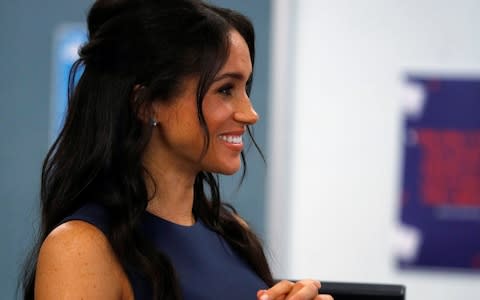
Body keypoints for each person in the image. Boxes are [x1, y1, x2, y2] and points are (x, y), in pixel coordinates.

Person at [22, 0, 333, 299]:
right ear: (146, 104)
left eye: (245, 88)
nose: (250, 113)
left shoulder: (232, 234)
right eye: (225, 90)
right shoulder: (80, 248)